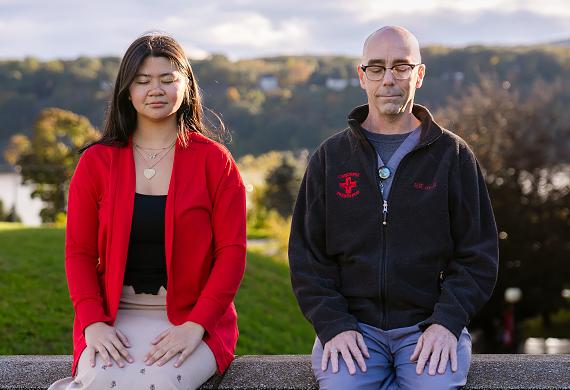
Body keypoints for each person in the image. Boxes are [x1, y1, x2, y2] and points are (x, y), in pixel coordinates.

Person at [288, 26, 499, 390]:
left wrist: (447, 323)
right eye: (377, 68)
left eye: (401, 67)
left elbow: (478, 254)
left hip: (426, 329)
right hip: (354, 330)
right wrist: (333, 326)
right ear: (362, 76)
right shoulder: (330, 158)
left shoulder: (452, 155)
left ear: (419, 74)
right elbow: (307, 258)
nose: (389, 79)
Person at [49, 33, 246, 390]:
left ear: (186, 85)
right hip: (113, 316)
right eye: (143, 81)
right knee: (99, 381)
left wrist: (195, 327)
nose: (156, 89)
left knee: (160, 382)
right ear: (127, 90)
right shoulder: (96, 163)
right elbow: (79, 252)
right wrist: (92, 323)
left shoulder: (215, 161)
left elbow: (231, 255)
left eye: (168, 79)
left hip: (193, 320)